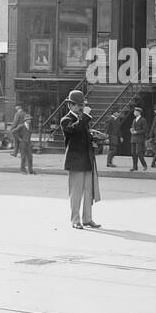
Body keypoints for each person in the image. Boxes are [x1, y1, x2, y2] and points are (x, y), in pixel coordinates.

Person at [61, 90, 101, 229]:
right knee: (76, 193)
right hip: (76, 162)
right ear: (70, 105)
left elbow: (83, 134)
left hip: (87, 160)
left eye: (81, 105)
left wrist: (94, 138)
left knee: (88, 192)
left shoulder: (83, 119)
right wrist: (85, 115)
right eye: (78, 105)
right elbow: (75, 129)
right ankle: (75, 220)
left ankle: (87, 218)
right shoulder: (66, 120)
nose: (80, 108)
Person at [13, 105, 34, 174]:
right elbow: (14, 132)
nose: (30, 120)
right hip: (23, 144)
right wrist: (19, 139)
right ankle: (22, 169)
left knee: (30, 157)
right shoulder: (21, 126)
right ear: (25, 120)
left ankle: (31, 170)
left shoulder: (30, 126)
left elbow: (29, 135)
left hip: (28, 143)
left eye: (30, 119)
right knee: (23, 157)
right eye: (28, 119)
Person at [129, 106, 149, 171]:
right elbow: (132, 127)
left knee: (138, 152)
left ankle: (144, 165)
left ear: (139, 112)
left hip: (139, 138)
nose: (134, 112)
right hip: (133, 138)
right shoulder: (134, 120)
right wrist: (132, 130)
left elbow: (145, 130)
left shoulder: (143, 120)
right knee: (133, 153)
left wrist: (136, 132)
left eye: (135, 111)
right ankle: (135, 167)